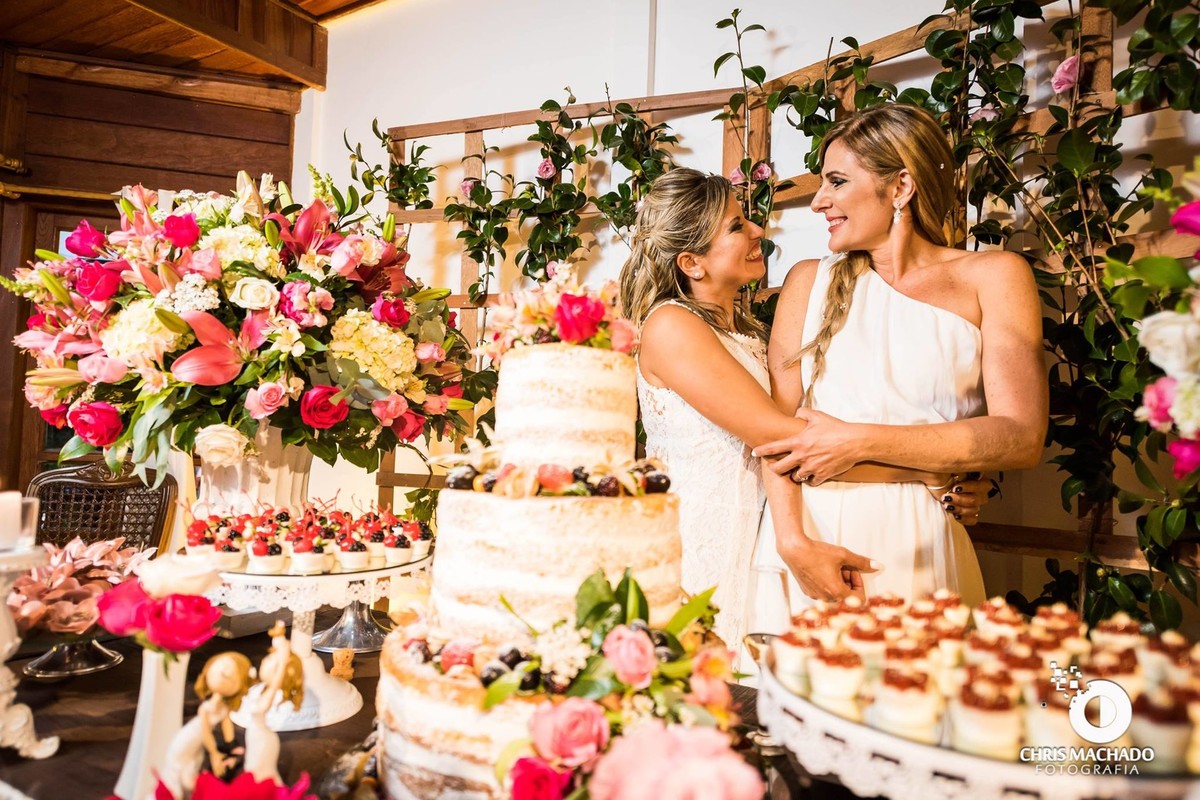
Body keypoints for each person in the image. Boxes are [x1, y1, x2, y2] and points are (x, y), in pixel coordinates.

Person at [617, 167, 992, 652]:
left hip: (753, 535)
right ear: (692, 263)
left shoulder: (744, 332)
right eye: (736, 226)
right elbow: (783, 439)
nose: (758, 231)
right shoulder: (671, 326)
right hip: (702, 543)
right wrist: (929, 470)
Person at [753, 103, 1047, 607]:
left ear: (900, 188)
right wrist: (791, 544)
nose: (818, 201)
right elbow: (774, 433)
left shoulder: (995, 277)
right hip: (810, 536)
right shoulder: (807, 281)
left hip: (922, 540)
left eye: (836, 181)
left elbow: (1021, 437)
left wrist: (856, 441)